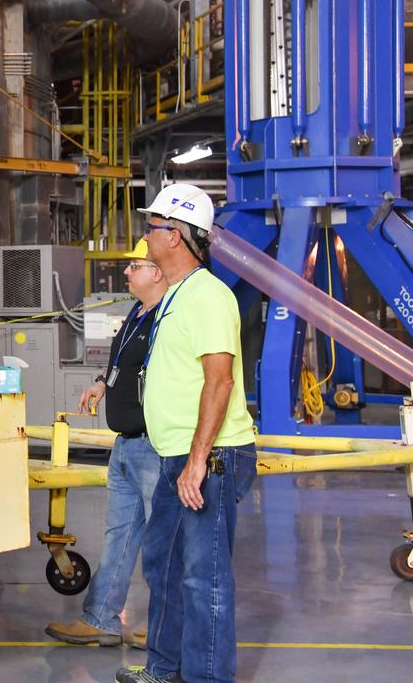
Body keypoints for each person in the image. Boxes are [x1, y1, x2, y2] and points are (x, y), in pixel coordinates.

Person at [116, 183, 257, 683]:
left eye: (152, 226)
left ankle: (207, 677)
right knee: (164, 567)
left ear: (174, 236)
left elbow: (220, 379)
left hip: (210, 458)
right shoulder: (175, 295)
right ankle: (165, 668)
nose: (146, 234)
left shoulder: (208, 296)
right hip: (177, 454)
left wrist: (198, 460)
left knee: (204, 577)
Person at [46, 240, 167, 651]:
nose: (127, 273)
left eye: (135, 266)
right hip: (127, 446)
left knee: (162, 542)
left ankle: (166, 626)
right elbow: (123, 366)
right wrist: (102, 382)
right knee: (119, 536)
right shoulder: (137, 313)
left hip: (155, 447)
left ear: (158, 272)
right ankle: (100, 619)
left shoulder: (168, 318)